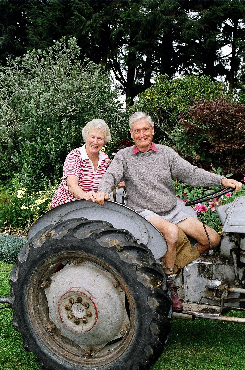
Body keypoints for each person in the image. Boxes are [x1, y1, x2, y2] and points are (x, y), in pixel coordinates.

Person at [93, 111, 243, 312]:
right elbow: (110, 176)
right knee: (172, 234)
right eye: (137, 131)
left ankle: (168, 270)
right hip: (143, 212)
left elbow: (191, 173)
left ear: (152, 130)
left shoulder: (166, 153)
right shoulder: (123, 157)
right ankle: (170, 285)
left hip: (172, 210)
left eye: (146, 129)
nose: (142, 134)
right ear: (131, 134)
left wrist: (222, 180)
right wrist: (102, 191)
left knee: (213, 239)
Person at [50, 119, 111, 208]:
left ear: (104, 141)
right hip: (65, 208)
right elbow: (72, 186)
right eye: (92, 137)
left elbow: (110, 182)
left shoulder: (105, 159)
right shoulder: (75, 156)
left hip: (87, 208)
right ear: (86, 137)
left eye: (99, 138)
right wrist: (85, 196)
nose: (95, 142)